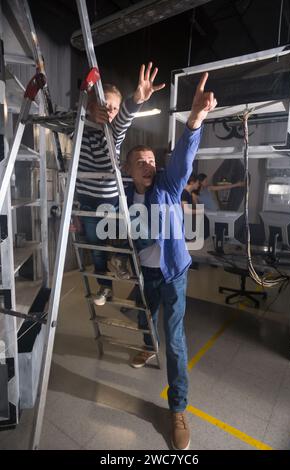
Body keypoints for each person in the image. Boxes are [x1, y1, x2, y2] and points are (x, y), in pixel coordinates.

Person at [125, 72, 217, 450]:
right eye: (140, 162)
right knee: (140, 313)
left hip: (173, 273)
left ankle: (177, 410)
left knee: (175, 341)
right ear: (129, 170)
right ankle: (148, 345)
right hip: (144, 274)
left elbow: (182, 160)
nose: (148, 165)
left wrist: (193, 122)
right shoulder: (125, 195)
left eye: (151, 160)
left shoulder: (167, 183)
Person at [76, 63, 165, 306]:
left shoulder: (113, 134)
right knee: (96, 249)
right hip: (89, 204)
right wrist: (87, 112)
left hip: (114, 201)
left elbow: (124, 119)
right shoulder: (80, 131)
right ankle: (105, 288)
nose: (112, 112)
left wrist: (136, 99)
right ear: (92, 107)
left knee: (145, 232)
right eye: (106, 107)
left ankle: (122, 257)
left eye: (115, 108)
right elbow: (76, 117)